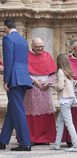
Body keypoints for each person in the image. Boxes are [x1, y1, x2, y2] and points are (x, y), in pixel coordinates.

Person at [0, 17, 32, 151]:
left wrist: (5, 80)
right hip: (23, 77)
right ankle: (2, 141)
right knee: (12, 110)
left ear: (6, 27)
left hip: (14, 78)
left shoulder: (7, 39)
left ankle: (25, 142)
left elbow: (9, 61)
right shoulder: (23, 40)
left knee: (17, 110)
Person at [24, 37, 57, 145]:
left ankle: (46, 137)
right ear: (32, 46)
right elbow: (24, 72)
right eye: (37, 47)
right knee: (32, 113)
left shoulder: (47, 55)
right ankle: (32, 138)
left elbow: (53, 73)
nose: (40, 49)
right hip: (32, 88)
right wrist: (33, 81)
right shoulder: (26, 56)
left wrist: (49, 82)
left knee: (46, 112)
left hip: (45, 89)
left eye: (42, 46)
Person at [51, 53, 77, 152]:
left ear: (59, 62)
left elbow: (60, 86)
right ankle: (57, 144)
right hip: (71, 99)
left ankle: (76, 146)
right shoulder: (69, 71)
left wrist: (52, 85)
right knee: (60, 122)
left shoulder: (60, 71)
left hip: (65, 100)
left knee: (69, 123)